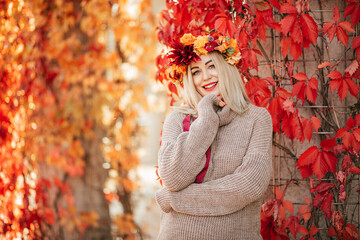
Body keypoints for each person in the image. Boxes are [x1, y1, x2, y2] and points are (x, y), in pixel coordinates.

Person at [155, 32, 273, 240]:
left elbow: (248, 186)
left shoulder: (257, 118)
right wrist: (206, 118)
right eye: (195, 71)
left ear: (226, 67)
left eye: (211, 66)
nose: (206, 77)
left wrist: (174, 199)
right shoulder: (177, 119)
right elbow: (173, 178)